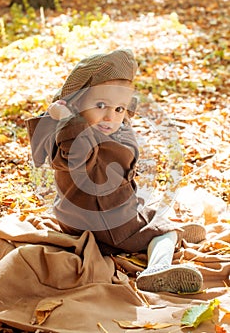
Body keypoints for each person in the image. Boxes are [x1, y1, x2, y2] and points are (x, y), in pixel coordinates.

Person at [26, 49, 206, 293]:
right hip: (103, 225)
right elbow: (78, 155)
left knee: (152, 213)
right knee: (162, 232)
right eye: (100, 105)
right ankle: (157, 264)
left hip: (93, 213)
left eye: (120, 109)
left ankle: (165, 231)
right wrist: (70, 121)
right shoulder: (74, 138)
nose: (111, 116)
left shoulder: (88, 128)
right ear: (76, 105)